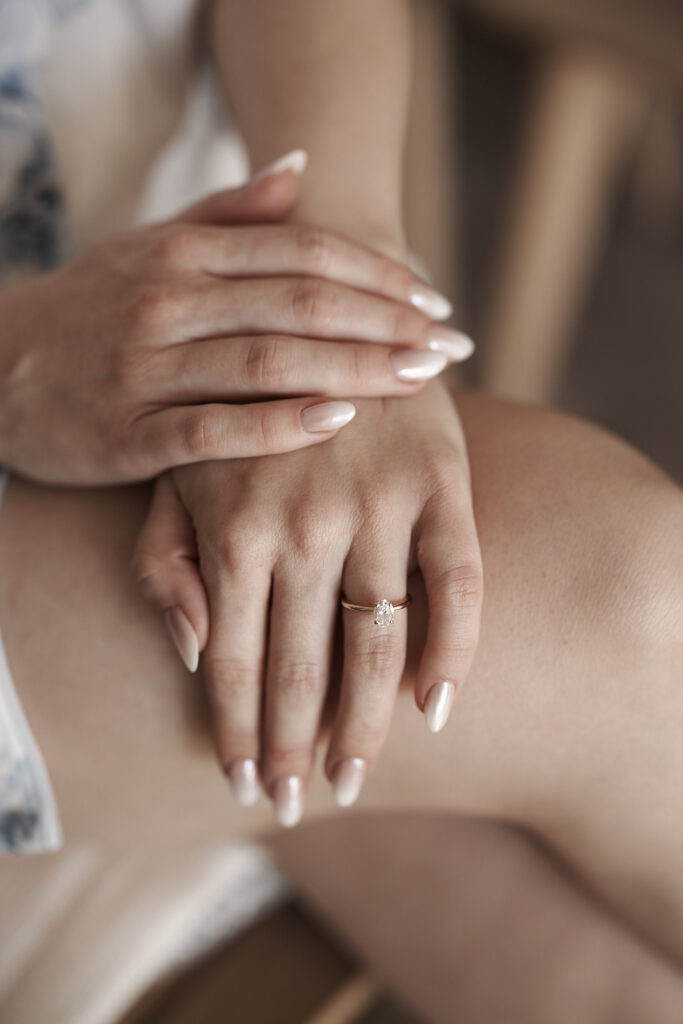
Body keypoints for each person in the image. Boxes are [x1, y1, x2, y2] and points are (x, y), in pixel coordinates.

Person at [0, 1, 681, 1020]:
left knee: (622, 988)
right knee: (618, 603)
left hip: (189, 264)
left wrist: (332, 268)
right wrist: (20, 353)